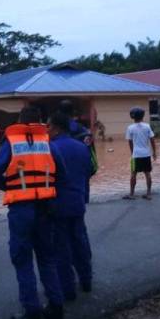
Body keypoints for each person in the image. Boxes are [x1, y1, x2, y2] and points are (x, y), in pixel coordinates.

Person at [0, 106, 66, 319]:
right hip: (45, 209)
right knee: (47, 260)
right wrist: (44, 188)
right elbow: (62, 172)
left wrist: (11, 187)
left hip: (21, 211)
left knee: (23, 263)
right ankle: (56, 311)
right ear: (39, 122)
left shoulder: (11, 143)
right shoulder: (48, 143)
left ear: (21, 121)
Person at [47, 112, 94, 301]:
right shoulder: (82, 147)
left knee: (61, 247)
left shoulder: (50, 148)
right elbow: (89, 170)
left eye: (48, 126)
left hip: (57, 204)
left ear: (57, 128)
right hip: (77, 201)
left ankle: (67, 289)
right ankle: (86, 280)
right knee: (79, 241)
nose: (47, 130)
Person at [124, 107, 157, 200]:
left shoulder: (130, 128)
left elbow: (130, 142)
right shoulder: (147, 126)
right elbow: (152, 140)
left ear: (133, 117)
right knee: (147, 173)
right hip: (146, 154)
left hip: (136, 155)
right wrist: (154, 152)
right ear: (142, 116)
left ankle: (131, 194)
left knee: (133, 173)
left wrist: (132, 152)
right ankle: (149, 193)